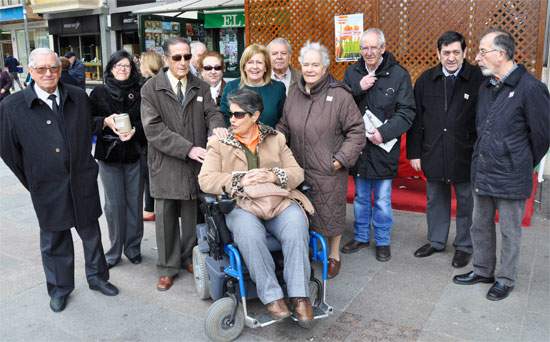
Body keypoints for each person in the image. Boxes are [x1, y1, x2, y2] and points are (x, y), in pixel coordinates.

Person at [0, 48, 118, 313]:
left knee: (91, 234)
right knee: (54, 242)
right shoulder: (12, 106)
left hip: (82, 181)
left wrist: (104, 125)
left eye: (53, 68)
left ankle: (97, 277)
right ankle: (59, 288)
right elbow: (8, 151)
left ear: (60, 69)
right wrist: (32, 179)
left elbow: (87, 127)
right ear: (30, 71)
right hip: (47, 187)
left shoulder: (77, 95)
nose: (48, 73)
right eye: (41, 69)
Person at [199, 88, 315, 323]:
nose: (232, 120)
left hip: (277, 200)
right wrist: (238, 180)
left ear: (255, 115)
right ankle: (272, 296)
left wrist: (273, 176)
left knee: (296, 225)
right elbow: (205, 179)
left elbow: (297, 173)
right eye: (230, 114)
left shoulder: (276, 138)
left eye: (239, 115)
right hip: (241, 205)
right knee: (250, 233)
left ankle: (300, 296)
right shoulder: (219, 143)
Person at [453, 28, 550, 301]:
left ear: (501, 54)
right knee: (479, 224)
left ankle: (505, 279)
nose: (478, 57)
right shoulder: (486, 87)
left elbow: (543, 135)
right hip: (483, 169)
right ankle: (483, 270)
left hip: (511, 173)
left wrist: (520, 160)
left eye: (482, 52)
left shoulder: (531, 88)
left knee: (509, 230)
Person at [141, 37, 227, 291]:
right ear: (166, 59)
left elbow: (212, 111)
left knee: (191, 215)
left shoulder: (200, 86)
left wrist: (218, 126)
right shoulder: (151, 88)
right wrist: (187, 148)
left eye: (187, 57)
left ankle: (189, 256)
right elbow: (153, 129)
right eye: (177, 57)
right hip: (167, 163)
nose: (183, 62)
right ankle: (167, 267)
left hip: (194, 164)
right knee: (166, 217)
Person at [277, 42, 366, 279]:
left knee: (330, 213)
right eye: (306, 64)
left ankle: (334, 255)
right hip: (298, 169)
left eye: (315, 64)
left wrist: (339, 159)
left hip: (328, 169)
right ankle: (309, 250)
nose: (310, 69)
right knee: (302, 213)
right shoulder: (294, 93)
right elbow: (284, 126)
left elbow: (357, 131)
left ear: (325, 66)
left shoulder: (339, 94)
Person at [406, 31, 486, 268]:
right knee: (436, 199)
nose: (451, 57)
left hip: (466, 152)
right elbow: (416, 120)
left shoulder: (479, 80)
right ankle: (436, 241)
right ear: (438, 54)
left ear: (464, 53)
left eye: (456, 52)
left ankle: (464, 246)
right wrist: (414, 152)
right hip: (434, 150)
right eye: (446, 52)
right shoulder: (424, 80)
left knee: (466, 201)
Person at [341, 28, 416, 262]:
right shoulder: (351, 73)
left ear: (383, 48)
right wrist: (357, 88)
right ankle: (362, 236)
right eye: (364, 47)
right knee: (361, 197)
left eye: (374, 47)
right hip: (359, 147)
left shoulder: (399, 75)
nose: (369, 52)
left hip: (383, 146)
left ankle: (382, 240)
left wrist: (383, 133)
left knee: (382, 199)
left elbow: (406, 112)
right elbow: (340, 107)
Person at [89, 50, 146, 269]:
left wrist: (135, 131)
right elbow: (87, 120)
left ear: (132, 69)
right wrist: (104, 121)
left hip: (134, 153)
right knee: (113, 205)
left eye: (127, 66)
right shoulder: (99, 93)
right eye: (118, 65)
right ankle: (113, 250)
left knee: (134, 202)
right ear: (110, 68)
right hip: (108, 154)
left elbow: (148, 121)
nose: (122, 69)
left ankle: (133, 247)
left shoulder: (141, 91)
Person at [220, 44, 286, 128]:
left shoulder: (278, 88)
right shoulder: (231, 87)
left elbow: (283, 120)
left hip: (269, 139)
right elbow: (224, 118)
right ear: (244, 67)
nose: (255, 67)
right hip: (237, 139)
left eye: (259, 62)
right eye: (250, 62)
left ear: (266, 67)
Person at [139, 51, 164, 221]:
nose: (139, 67)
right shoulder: (162, 82)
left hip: (151, 138)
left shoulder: (148, 85)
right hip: (159, 136)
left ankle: (149, 209)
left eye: (141, 63)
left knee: (150, 174)